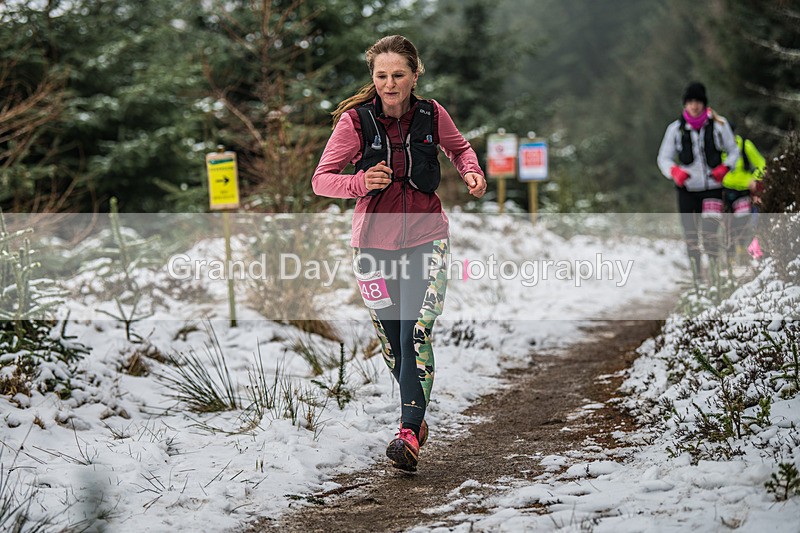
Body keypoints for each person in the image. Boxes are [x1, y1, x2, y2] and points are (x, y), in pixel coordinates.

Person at [311, 35, 486, 472]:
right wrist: (359, 182)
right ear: (373, 77)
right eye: (381, 75)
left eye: (398, 75)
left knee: (415, 334)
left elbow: (459, 148)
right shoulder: (355, 122)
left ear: (414, 75)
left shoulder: (431, 114)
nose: (389, 84)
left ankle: (407, 430)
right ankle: (417, 417)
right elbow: (322, 179)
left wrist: (471, 171)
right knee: (392, 344)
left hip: (428, 237)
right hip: (372, 247)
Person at [657, 82, 740, 280]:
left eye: (698, 102)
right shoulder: (675, 130)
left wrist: (726, 167)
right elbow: (663, 158)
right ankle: (697, 278)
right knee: (691, 234)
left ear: (704, 103)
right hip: (687, 190)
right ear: (685, 104)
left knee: (711, 233)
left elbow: (734, 150)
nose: (694, 106)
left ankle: (714, 275)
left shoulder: (720, 125)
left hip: (713, 188)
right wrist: (674, 171)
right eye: (690, 102)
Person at [721, 121, 767, 261]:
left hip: (743, 191)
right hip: (723, 190)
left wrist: (755, 179)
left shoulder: (745, 145)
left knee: (741, 222)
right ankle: (730, 256)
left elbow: (762, 164)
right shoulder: (716, 148)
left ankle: (741, 251)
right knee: (727, 223)